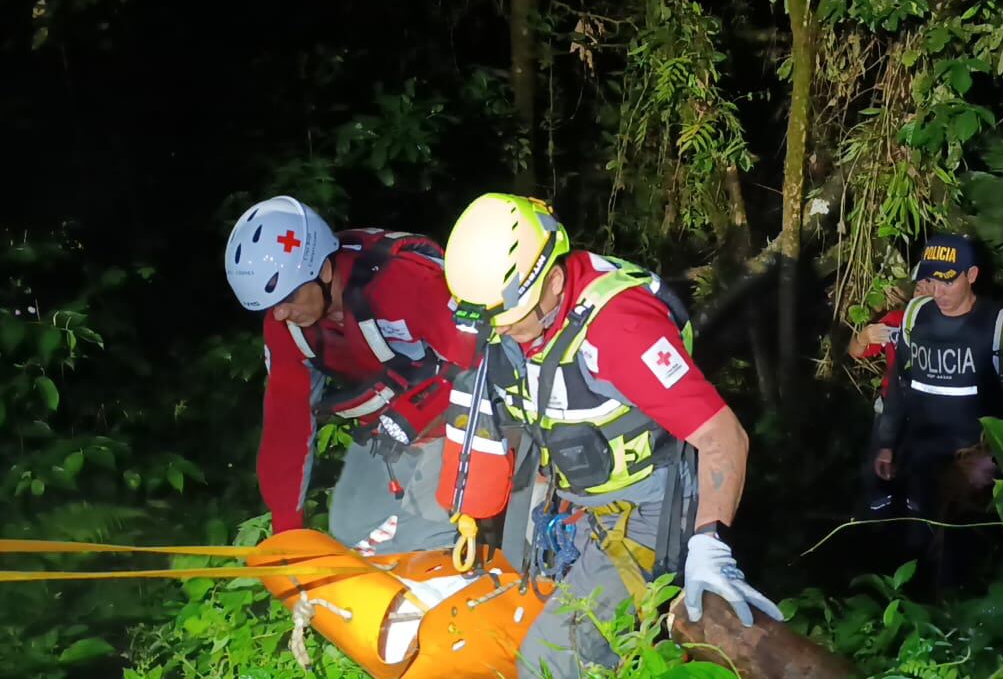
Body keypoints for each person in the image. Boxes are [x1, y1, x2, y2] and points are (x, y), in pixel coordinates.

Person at [440, 193, 782, 678]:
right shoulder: (506, 311)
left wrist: (710, 543)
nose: (504, 332)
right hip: (574, 499)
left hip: (648, 514)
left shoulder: (620, 331)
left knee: (551, 661)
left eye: (512, 320)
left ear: (554, 281)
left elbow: (724, 436)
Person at [224, 196, 475, 555]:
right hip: (392, 427)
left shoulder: (404, 281)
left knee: (422, 534)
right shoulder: (287, 326)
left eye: (289, 297)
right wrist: (286, 532)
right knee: (351, 529)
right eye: (270, 307)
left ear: (324, 271)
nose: (281, 315)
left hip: (462, 413)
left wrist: (422, 416)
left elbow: (481, 361)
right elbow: (287, 426)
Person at [873, 234, 1003, 591]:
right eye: (932, 279)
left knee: (964, 553)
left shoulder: (1001, 327)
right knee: (913, 542)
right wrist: (887, 442)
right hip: (919, 453)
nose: (939, 290)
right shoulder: (917, 316)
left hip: (972, 463)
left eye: (949, 279)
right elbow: (900, 383)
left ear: (973, 275)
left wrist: (993, 458)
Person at [847, 276, 931, 517]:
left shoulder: (950, 326)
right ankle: (876, 521)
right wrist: (863, 338)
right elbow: (855, 352)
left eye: (929, 283)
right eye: (919, 283)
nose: (921, 288)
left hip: (927, 411)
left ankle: (918, 523)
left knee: (920, 476)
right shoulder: (896, 321)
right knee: (874, 471)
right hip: (890, 404)